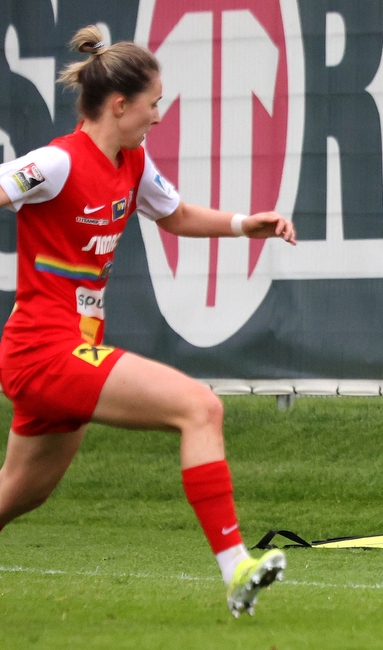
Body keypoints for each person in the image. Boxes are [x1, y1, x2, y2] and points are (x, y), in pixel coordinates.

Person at [0, 26, 297, 617]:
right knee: (201, 407)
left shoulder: (131, 162)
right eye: (154, 102)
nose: (159, 115)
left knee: (15, 497)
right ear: (119, 105)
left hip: (70, 353)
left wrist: (246, 224)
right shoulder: (55, 163)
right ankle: (236, 565)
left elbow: (177, 214)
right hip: (43, 353)